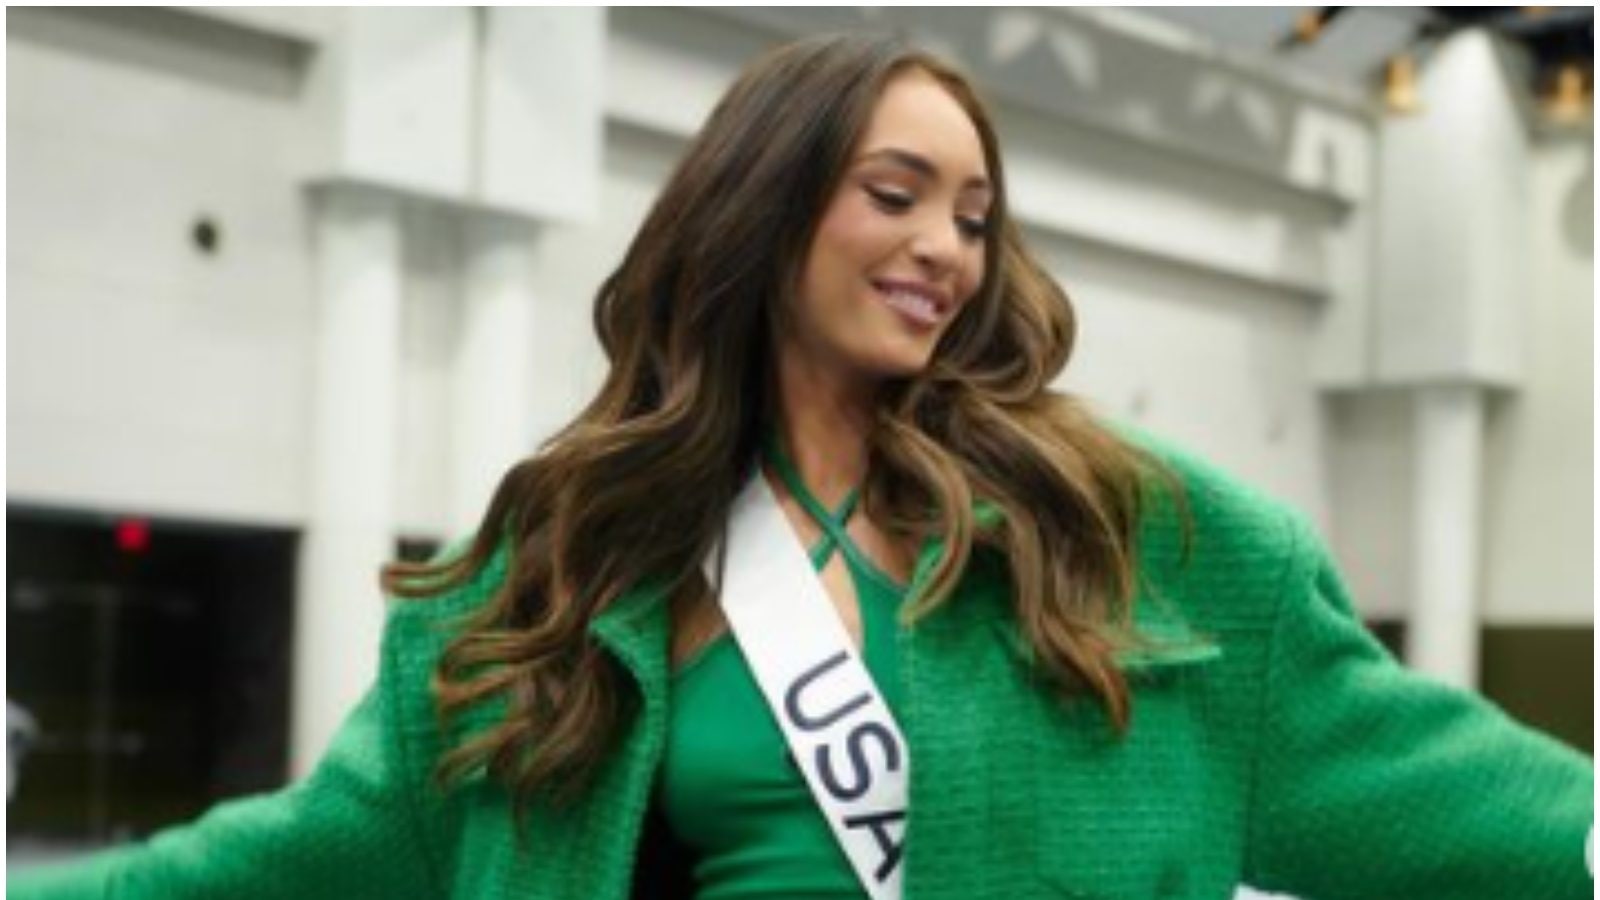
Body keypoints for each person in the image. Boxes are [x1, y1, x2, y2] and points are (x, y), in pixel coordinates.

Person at [9, 33, 1592, 900]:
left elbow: (1432, 782)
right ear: (764, 211)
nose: (943, 249)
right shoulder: (576, 554)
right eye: (895, 194)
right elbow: (328, 847)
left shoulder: (1125, 533)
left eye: (973, 215)